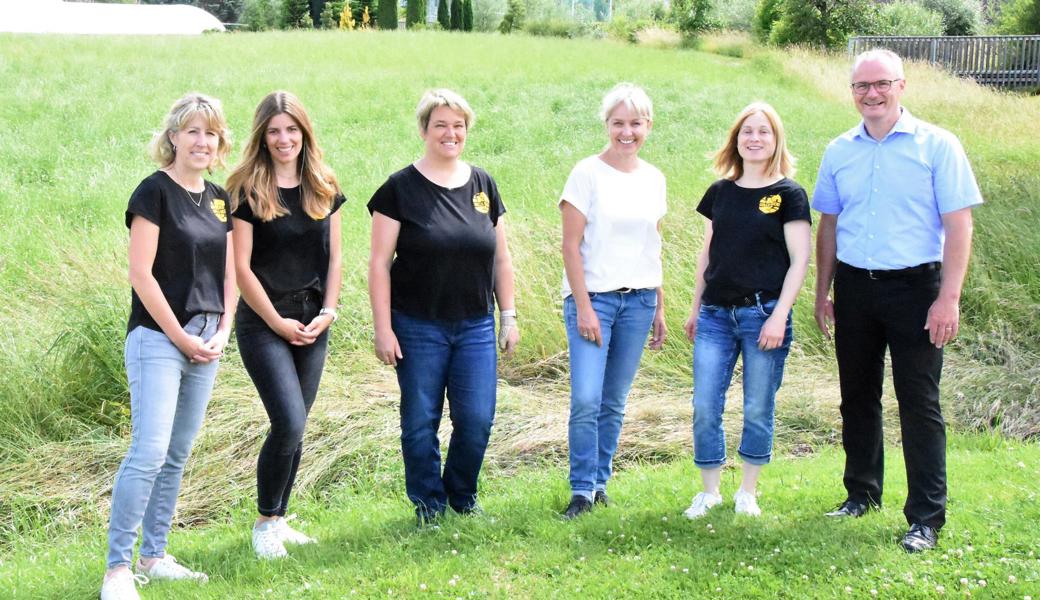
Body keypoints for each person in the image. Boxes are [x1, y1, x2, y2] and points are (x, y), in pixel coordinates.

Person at [813, 49, 983, 553]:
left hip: (917, 290)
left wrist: (947, 299)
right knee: (857, 396)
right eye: (861, 87)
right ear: (852, 93)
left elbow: (959, 226)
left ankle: (926, 517)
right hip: (856, 288)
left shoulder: (939, 146)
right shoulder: (839, 150)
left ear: (901, 86)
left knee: (919, 403)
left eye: (881, 84)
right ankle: (861, 493)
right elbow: (829, 225)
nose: (871, 94)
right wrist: (823, 292)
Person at [101, 93, 235, 600]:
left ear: (220, 143)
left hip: (209, 337)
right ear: (173, 137)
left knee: (177, 453)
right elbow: (141, 273)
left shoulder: (222, 197)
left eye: (211, 133)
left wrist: (223, 330)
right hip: (159, 337)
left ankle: (155, 557)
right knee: (149, 451)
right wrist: (180, 336)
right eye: (193, 131)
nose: (202, 142)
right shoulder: (153, 192)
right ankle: (117, 571)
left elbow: (230, 273)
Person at [367, 89, 519, 526]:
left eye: (458, 126)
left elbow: (501, 258)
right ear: (423, 130)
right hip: (416, 326)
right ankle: (428, 506)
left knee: (476, 420)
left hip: (474, 325)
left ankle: (462, 497)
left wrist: (508, 316)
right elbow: (379, 264)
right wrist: (383, 328)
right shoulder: (399, 189)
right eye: (441, 125)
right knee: (420, 422)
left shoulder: (483, 184)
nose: (450, 134)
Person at [227, 91, 346, 559]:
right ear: (262, 135)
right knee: (288, 420)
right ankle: (263, 523)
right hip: (263, 322)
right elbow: (241, 268)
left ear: (304, 132)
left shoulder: (323, 184)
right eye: (274, 131)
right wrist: (275, 320)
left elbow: (335, 255)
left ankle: (279, 519)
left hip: (314, 320)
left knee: (298, 425)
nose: (283, 139)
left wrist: (329, 311)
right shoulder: (246, 189)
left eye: (291, 129)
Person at [681, 102, 811, 520]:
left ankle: (748, 492)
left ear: (776, 140)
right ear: (736, 140)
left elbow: (800, 261)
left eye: (763, 132)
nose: (754, 139)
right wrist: (695, 306)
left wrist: (779, 316)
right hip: (716, 315)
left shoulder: (789, 194)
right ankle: (710, 491)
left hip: (763, 314)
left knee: (757, 405)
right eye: (746, 132)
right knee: (705, 405)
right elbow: (707, 254)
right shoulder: (720, 192)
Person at [559, 83, 667, 520]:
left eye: (635, 123)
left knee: (614, 401)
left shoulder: (654, 177)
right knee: (586, 397)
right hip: (595, 301)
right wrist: (584, 307)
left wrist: (658, 303)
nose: (627, 132)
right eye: (618, 123)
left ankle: (601, 482)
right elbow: (570, 246)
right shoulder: (586, 173)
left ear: (648, 126)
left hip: (639, 301)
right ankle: (581, 489)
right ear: (606, 125)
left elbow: (652, 244)